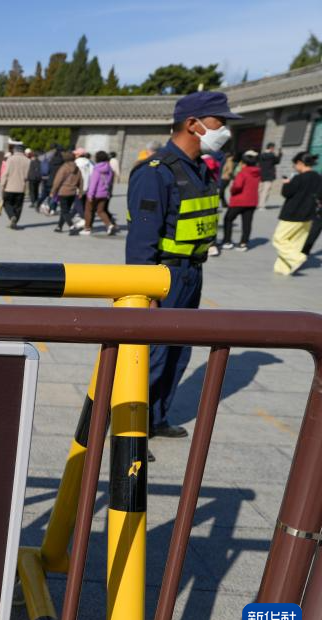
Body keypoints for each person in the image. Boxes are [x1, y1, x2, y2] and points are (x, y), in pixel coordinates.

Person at [126, 90, 240, 440]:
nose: (225, 130)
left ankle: (157, 417)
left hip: (191, 273)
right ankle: (130, 434)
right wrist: (145, 293)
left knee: (178, 352)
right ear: (193, 124)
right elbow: (141, 242)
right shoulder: (156, 172)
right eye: (219, 122)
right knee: (153, 357)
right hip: (163, 276)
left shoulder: (199, 170)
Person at [272, 151, 322, 275]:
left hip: (292, 214)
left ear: (300, 163)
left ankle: (296, 258)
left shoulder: (298, 178)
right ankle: (283, 268)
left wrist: (286, 184)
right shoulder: (318, 177)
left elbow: (287, 193)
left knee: (279, 239)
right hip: (309, 215)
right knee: (295, 243)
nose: (294, 167)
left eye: (295, 164)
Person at [218, 150, 260, 251]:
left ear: (244, 163)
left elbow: (237, 186)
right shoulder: (258, 173)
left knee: (228, 219)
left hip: (239, 201)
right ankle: (243, 244)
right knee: (247, 223)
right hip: (252, 201)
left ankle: (227, 241)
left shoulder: (243, 173)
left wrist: (232, 190)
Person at [82, 151, 118, 235]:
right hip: (104, 193)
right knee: (101, 211)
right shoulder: (109, 168)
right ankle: (109, 225)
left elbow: (93, 183)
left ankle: (87, 228)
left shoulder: (97, 168)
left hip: (95, 194)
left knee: (88, 210)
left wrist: (90, 194)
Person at [50, 150, 83, 233]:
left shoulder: (64, 168)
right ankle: (59, 226)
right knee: (66, 210)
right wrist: (80, 191)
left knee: (64, 211)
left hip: (63, 192)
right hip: (73, 192)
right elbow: (81, 181)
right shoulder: (77, 168)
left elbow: (57, 181)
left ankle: (72, 227)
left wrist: (53, 191)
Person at [1, 144, 29, 229]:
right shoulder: (28, 160)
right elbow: (28, 175)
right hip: (21, 188)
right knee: (18, 206)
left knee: (6, 203)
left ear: (14, 150)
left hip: (9, 187)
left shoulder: (10, 159)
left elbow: (5, 173)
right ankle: (14, 222)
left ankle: (12, 216)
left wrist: (2, 185)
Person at [73, 148, 92, 230]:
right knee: (82, 204)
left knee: (78, 204)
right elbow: (92, 174)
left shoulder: (76, 162)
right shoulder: (89, 162)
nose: (75, 155)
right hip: (87, 186)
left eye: (76, 154)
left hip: (79, 186)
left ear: (79, 155)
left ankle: (85, 220)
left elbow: (74, 175)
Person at [258, 142, 282, 207]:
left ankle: (257, 203)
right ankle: (261, 205)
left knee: (260, 190)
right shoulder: (272, 155)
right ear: (271, 148)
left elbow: (259, 164)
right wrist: (280, 154)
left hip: (261, 174)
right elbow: (277, 161)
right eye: (273, 148)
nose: (274, 149)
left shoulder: (261, 155)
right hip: (269, 175)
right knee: (266, 190)